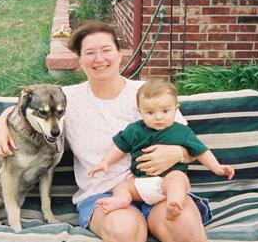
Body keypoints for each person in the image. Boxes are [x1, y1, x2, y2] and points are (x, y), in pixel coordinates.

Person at [0, 20, 212, 242]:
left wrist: (178, 154)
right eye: (90, 52)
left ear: (120, 53)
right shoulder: (67, 100)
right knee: (123, 231)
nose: (99, 59)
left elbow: (192, 147)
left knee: (186, 229)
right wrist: (1, 125)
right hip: (104, 195)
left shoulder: (149, 95)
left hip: (161, 188)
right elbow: (28, 106)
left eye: (106, 50)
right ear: (80, 60)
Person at [89, 79, 234, 220]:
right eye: (150, 113)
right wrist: (105, 162)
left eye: (165, 111)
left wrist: (216, 167)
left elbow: (201, 151)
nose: (158, 117)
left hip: (167, 182)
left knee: (178, 178)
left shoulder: (182, 132)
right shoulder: (135, 130)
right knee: (122, 186)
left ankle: (174, 203)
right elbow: (119, 146)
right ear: (140, 111)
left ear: (175, 109)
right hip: (141, 183)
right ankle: (121, 200)